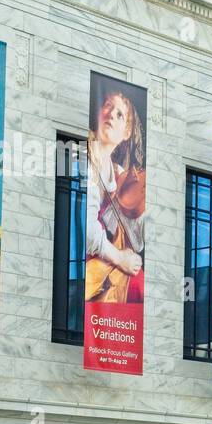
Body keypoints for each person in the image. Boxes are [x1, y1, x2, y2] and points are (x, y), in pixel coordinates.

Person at [85, 90, 146, 304]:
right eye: (108, 106)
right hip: (83, 269)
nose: (111, 114)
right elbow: (87, 230)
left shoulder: (119, 173)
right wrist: (121, 258)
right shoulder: (83, 157)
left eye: (120, 114)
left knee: (139, 282)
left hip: (107, 262)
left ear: (126, 131)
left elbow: (138, 239)